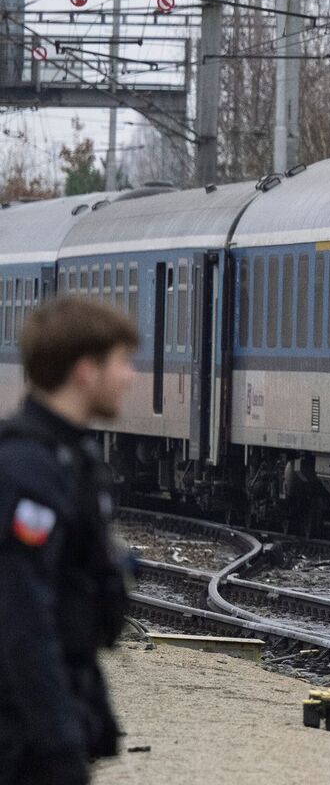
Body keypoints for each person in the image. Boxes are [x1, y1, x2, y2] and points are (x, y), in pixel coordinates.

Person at [0, 296, 138, 785]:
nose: (130, 377)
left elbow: (72, 606)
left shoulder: (72, 459)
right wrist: (58, 742)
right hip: (21, 736)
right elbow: (23, 620)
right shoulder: (26, 470)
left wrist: (94, 719)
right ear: (85, 371)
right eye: (122, 363)